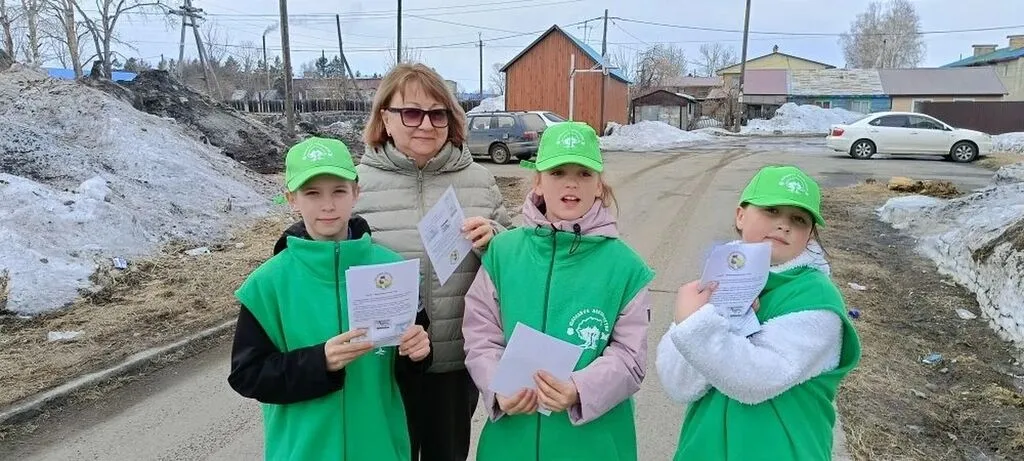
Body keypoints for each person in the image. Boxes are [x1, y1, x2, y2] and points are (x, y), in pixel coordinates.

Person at [228, 137, 432, 461]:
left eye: (338, 191)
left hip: (379, 448)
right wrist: (319, 361)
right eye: (312, 193)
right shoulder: (267, 284)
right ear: (291, 198)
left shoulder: (393, 270)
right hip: (302, 451)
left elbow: (410, 364)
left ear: (356, 193)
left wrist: (417, 355)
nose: (328, 205)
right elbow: (247, 375)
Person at [462, 122, 655, 461]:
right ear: (538, 181)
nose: (570, 182)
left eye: (584, 173)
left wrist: (580, 388)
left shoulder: (626, 268)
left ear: (599, 185)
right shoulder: (502, 253)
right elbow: (480, 335)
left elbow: (630, 357)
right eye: (557, 172)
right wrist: (497, 386)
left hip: (592, 446)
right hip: (512, 441)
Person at [355, 62, 514, 461]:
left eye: (437, 113)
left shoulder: (479, 181)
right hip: (382, 366)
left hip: (455, 363)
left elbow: (516, 260)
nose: (426, 124)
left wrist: (495, 239)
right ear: (385, 118)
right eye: (411, 112)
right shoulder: (356, 186)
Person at [656, 165, 862, 461]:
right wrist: (711, 321)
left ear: (810, 236)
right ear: (740, 216)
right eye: (772, 210)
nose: (784, 225)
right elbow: (678, 384)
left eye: (799, 219)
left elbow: (757, 379)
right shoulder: (720, 278)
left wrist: (695, 324)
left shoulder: (817, 299)